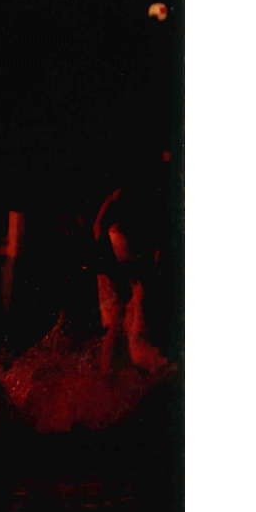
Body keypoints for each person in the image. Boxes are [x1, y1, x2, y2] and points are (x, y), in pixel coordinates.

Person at [93, 152, 171, 374]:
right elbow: (100, 224)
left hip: (127, 260)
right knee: (117, 321)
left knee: (130, 314)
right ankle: (109, 376)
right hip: (114, 262)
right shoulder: (125, 194)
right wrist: (105, 256)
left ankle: (126, 370)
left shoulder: (148, 196)